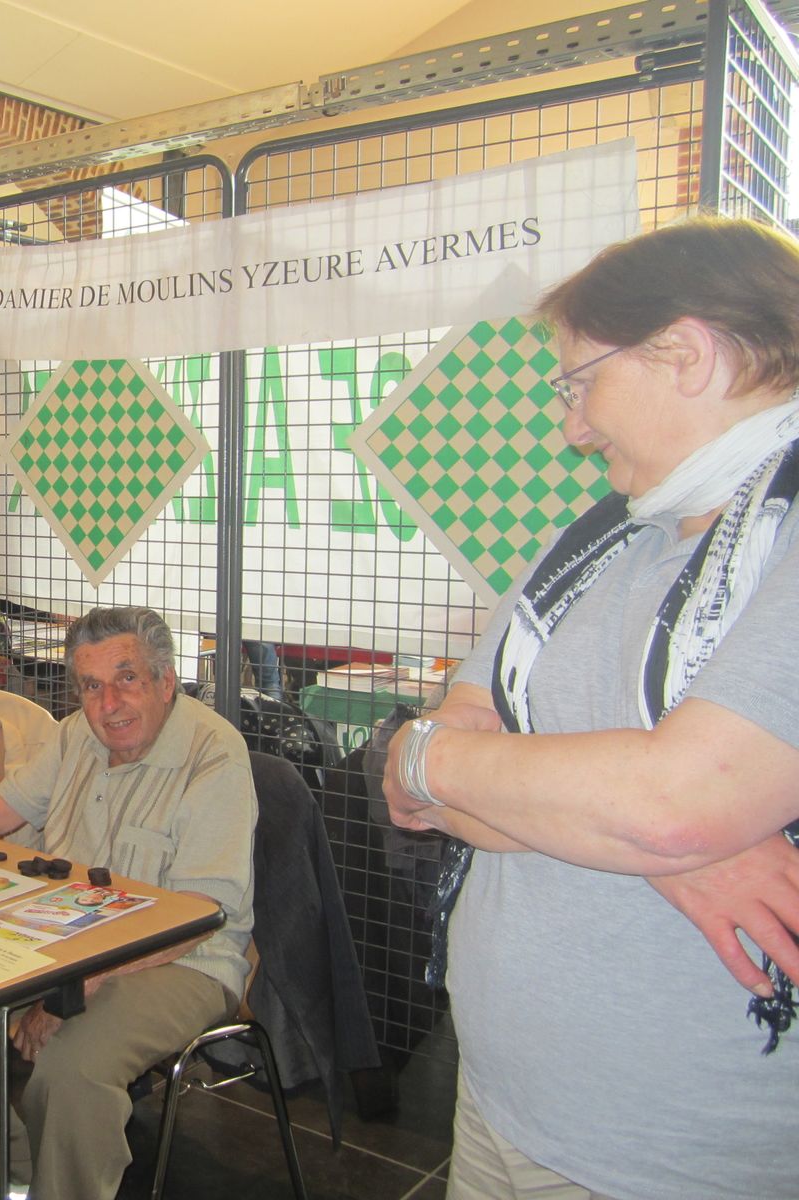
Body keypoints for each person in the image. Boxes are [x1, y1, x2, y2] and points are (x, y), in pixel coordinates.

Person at [382, 217, 799, 1200]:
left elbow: (670, 806)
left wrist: (448, 763)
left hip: (676, 1155)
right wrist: (647, 845)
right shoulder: (596, 540)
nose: (572, 426)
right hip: (501, 1104)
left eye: (579, 383)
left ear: (684, 354)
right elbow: (412, 775)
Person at [0, 605, 255, 1200]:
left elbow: (195, 916)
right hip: (59, 935)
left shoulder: (214, 755)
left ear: (166, 681)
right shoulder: (75, 735)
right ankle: (12, 1180)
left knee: (72, 1070)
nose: (108, 703)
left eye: (127, 678)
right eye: (91, 685)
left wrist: (75, 987)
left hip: (182, 960)